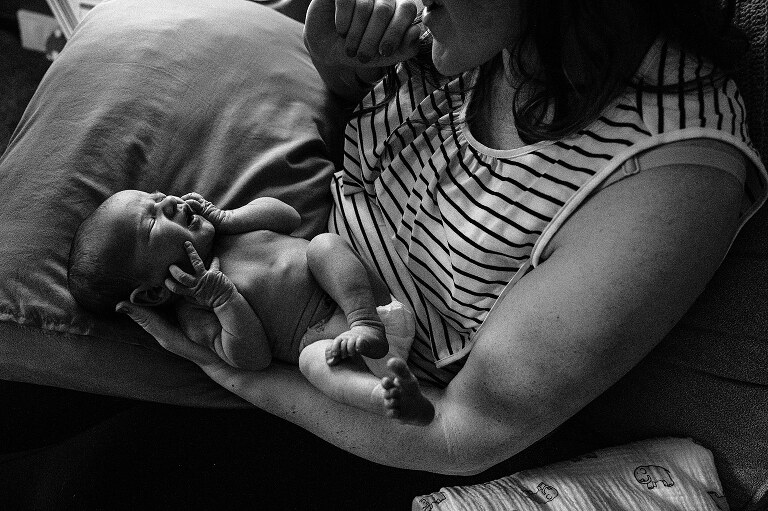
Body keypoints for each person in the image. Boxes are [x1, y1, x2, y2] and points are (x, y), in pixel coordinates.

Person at [119, 0, 767, 506]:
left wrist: (231, 370)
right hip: (292, 306)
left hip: (385, 424)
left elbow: (462, 434)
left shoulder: (668, 170)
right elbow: (394, 164)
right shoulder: (483, 31)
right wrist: (340, 64)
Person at [68, 190, 435, 424]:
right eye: (153, 221)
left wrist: (229, 217)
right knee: (312, 363)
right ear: (152, 295)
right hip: (342, 350)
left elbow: (289, 218)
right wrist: (224, 300)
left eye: (156, 196)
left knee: (323, 245)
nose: (167, 203)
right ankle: (393, 399)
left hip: (369, 308)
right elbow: (251, 359)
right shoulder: (195, 313)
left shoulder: (230, 230)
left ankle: (365, 323)